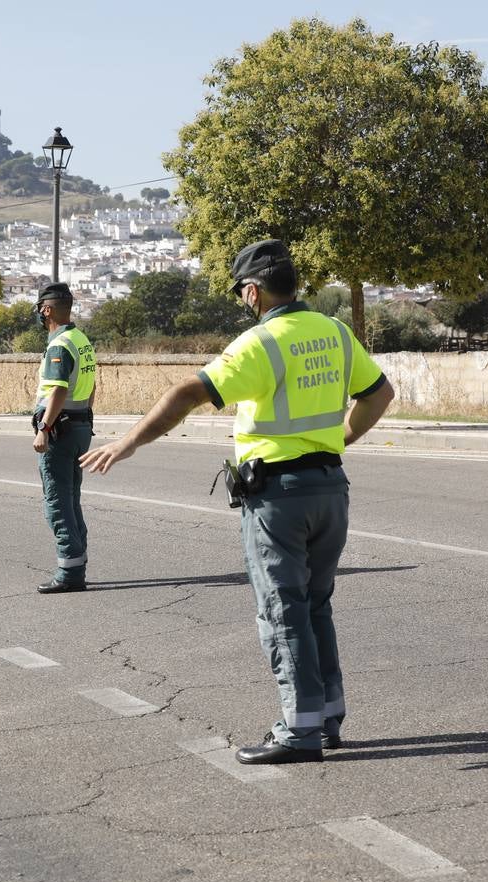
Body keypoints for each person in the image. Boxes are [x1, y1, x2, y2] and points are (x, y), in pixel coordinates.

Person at [79, 239, 395, 764]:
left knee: (282, 610)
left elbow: (188, 392)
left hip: (279, 499)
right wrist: (338, 439)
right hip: (329, 488)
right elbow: (379, 394)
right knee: (316, 605)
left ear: (253, 291)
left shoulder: (260, 344)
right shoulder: (336, 333)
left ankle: (298, 730)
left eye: (241, 293)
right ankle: (327, 718)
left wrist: (127, 440)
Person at [31, 282, 98, 594]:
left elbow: (57, 389)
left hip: (61, 430)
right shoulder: (81, 340)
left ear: (47, 309)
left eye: (40, 310)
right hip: (80, 425)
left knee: (57, 502)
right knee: (71, 499)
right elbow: (92, 385)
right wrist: (84, 416)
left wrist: (45, 428)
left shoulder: (59, 345)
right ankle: (77, 564)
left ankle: (69, 572)